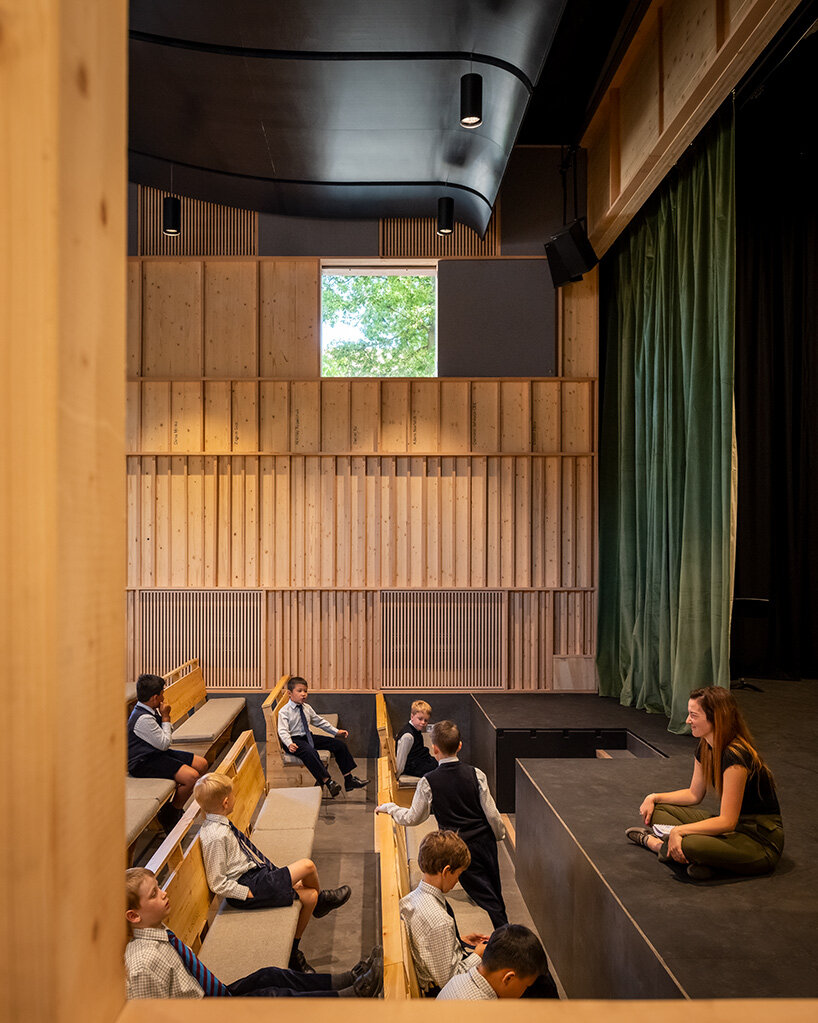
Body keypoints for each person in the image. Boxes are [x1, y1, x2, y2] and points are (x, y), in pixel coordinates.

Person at [125, 867, 382, 999]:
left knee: (269, 975)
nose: (164, 893)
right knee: (271, 997)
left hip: (209, 996)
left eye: (159, 887)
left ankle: (346, 979)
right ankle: (350, 997)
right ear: (134, 916)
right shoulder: (143, 965)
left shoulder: (156, 929)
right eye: (154, 894)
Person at [194, 772, 351, 973]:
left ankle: (294, 951)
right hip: (247, 887)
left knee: (309, 897)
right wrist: (246, 892)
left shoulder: (220, 825)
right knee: (307, 866)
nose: (234, 797)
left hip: (255, 877)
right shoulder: (215, 836)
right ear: (226, 802)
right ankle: (322, 902)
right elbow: (216, 882)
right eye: (232, 795)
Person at [626, 686, 784, 880]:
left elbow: (727, 821)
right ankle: (706, 862)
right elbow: (693, 794)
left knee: (688, 843)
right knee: (658, 811)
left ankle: (656, 845)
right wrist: (653, 797)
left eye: (693, 715)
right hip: (733, 831)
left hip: (758, 841)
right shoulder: (705, 747)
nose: (687, 720)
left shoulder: (735, 756)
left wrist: (679, 831)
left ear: (716, 718)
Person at [377, 720, 508, 928]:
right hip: (484, 842)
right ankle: (504, 931)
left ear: (434, 748)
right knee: (493, 892)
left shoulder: (428, 781)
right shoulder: (476, 774)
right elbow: (492, 814)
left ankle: (504, 935)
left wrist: (391, 808)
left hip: (455, 847)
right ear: (460, 746)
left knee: (485, 898)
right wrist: (499, 834)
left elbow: (413, 818)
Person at [400, 830, 489, 995]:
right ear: (446, 871)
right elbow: (450, 981)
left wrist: (458, 940)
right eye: (458, 874)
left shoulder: (410, 899)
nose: (458, 880)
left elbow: (429, 945)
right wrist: (478, 955)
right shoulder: (439, 921)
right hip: (444, 992)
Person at [127, 672, 208, 830]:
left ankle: (172, 806)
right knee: (192, 777)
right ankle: (170, 813)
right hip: (142, 762)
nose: (164, 698)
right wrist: (166, 717)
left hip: (155, 753)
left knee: (202, 764)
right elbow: (165, 743)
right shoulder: (143, 719)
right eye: (162, 694)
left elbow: (162, 743)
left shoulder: (148, 709)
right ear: (155, 698)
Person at [277, 676, 368, 798]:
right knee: (310, 752)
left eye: (305, 691)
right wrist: (289, 743)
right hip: (293, 741)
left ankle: (349, 779)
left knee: (339, 745)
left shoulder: (306, 708)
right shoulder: (284, 711)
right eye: (299, 691)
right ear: (289, 693)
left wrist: (336, 732)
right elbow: (282, 730)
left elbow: (320, 722)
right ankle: (328, 782)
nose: (303, 694)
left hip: (308, 737)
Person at [436, 924, 546, 1000]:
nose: (523, 992)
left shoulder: (458, 978)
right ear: (508, 978)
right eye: (526, 986)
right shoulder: (486, 1013)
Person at [395, 699, 438, 778]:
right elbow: (401, 760)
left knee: (439, 763)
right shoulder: (408, 736)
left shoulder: (416, 729)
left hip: (419, 759)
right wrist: (397, 777)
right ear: (412, 716)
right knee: (439, 770)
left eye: (426, 720)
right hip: (413, 766)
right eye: (420, 719)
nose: (423, 723)